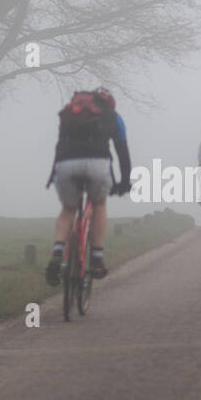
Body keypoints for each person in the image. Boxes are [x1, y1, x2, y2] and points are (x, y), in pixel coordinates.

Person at [45, 87, 131, 286]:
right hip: (97, 164)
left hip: (66, 164)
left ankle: (58, 254)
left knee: (68, 209)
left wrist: (55, 173)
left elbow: (60, 146)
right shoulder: (114, 118)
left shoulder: (70, 114)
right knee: (99, 204)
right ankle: (97, 258)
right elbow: (122, 153)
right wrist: (124, 182)